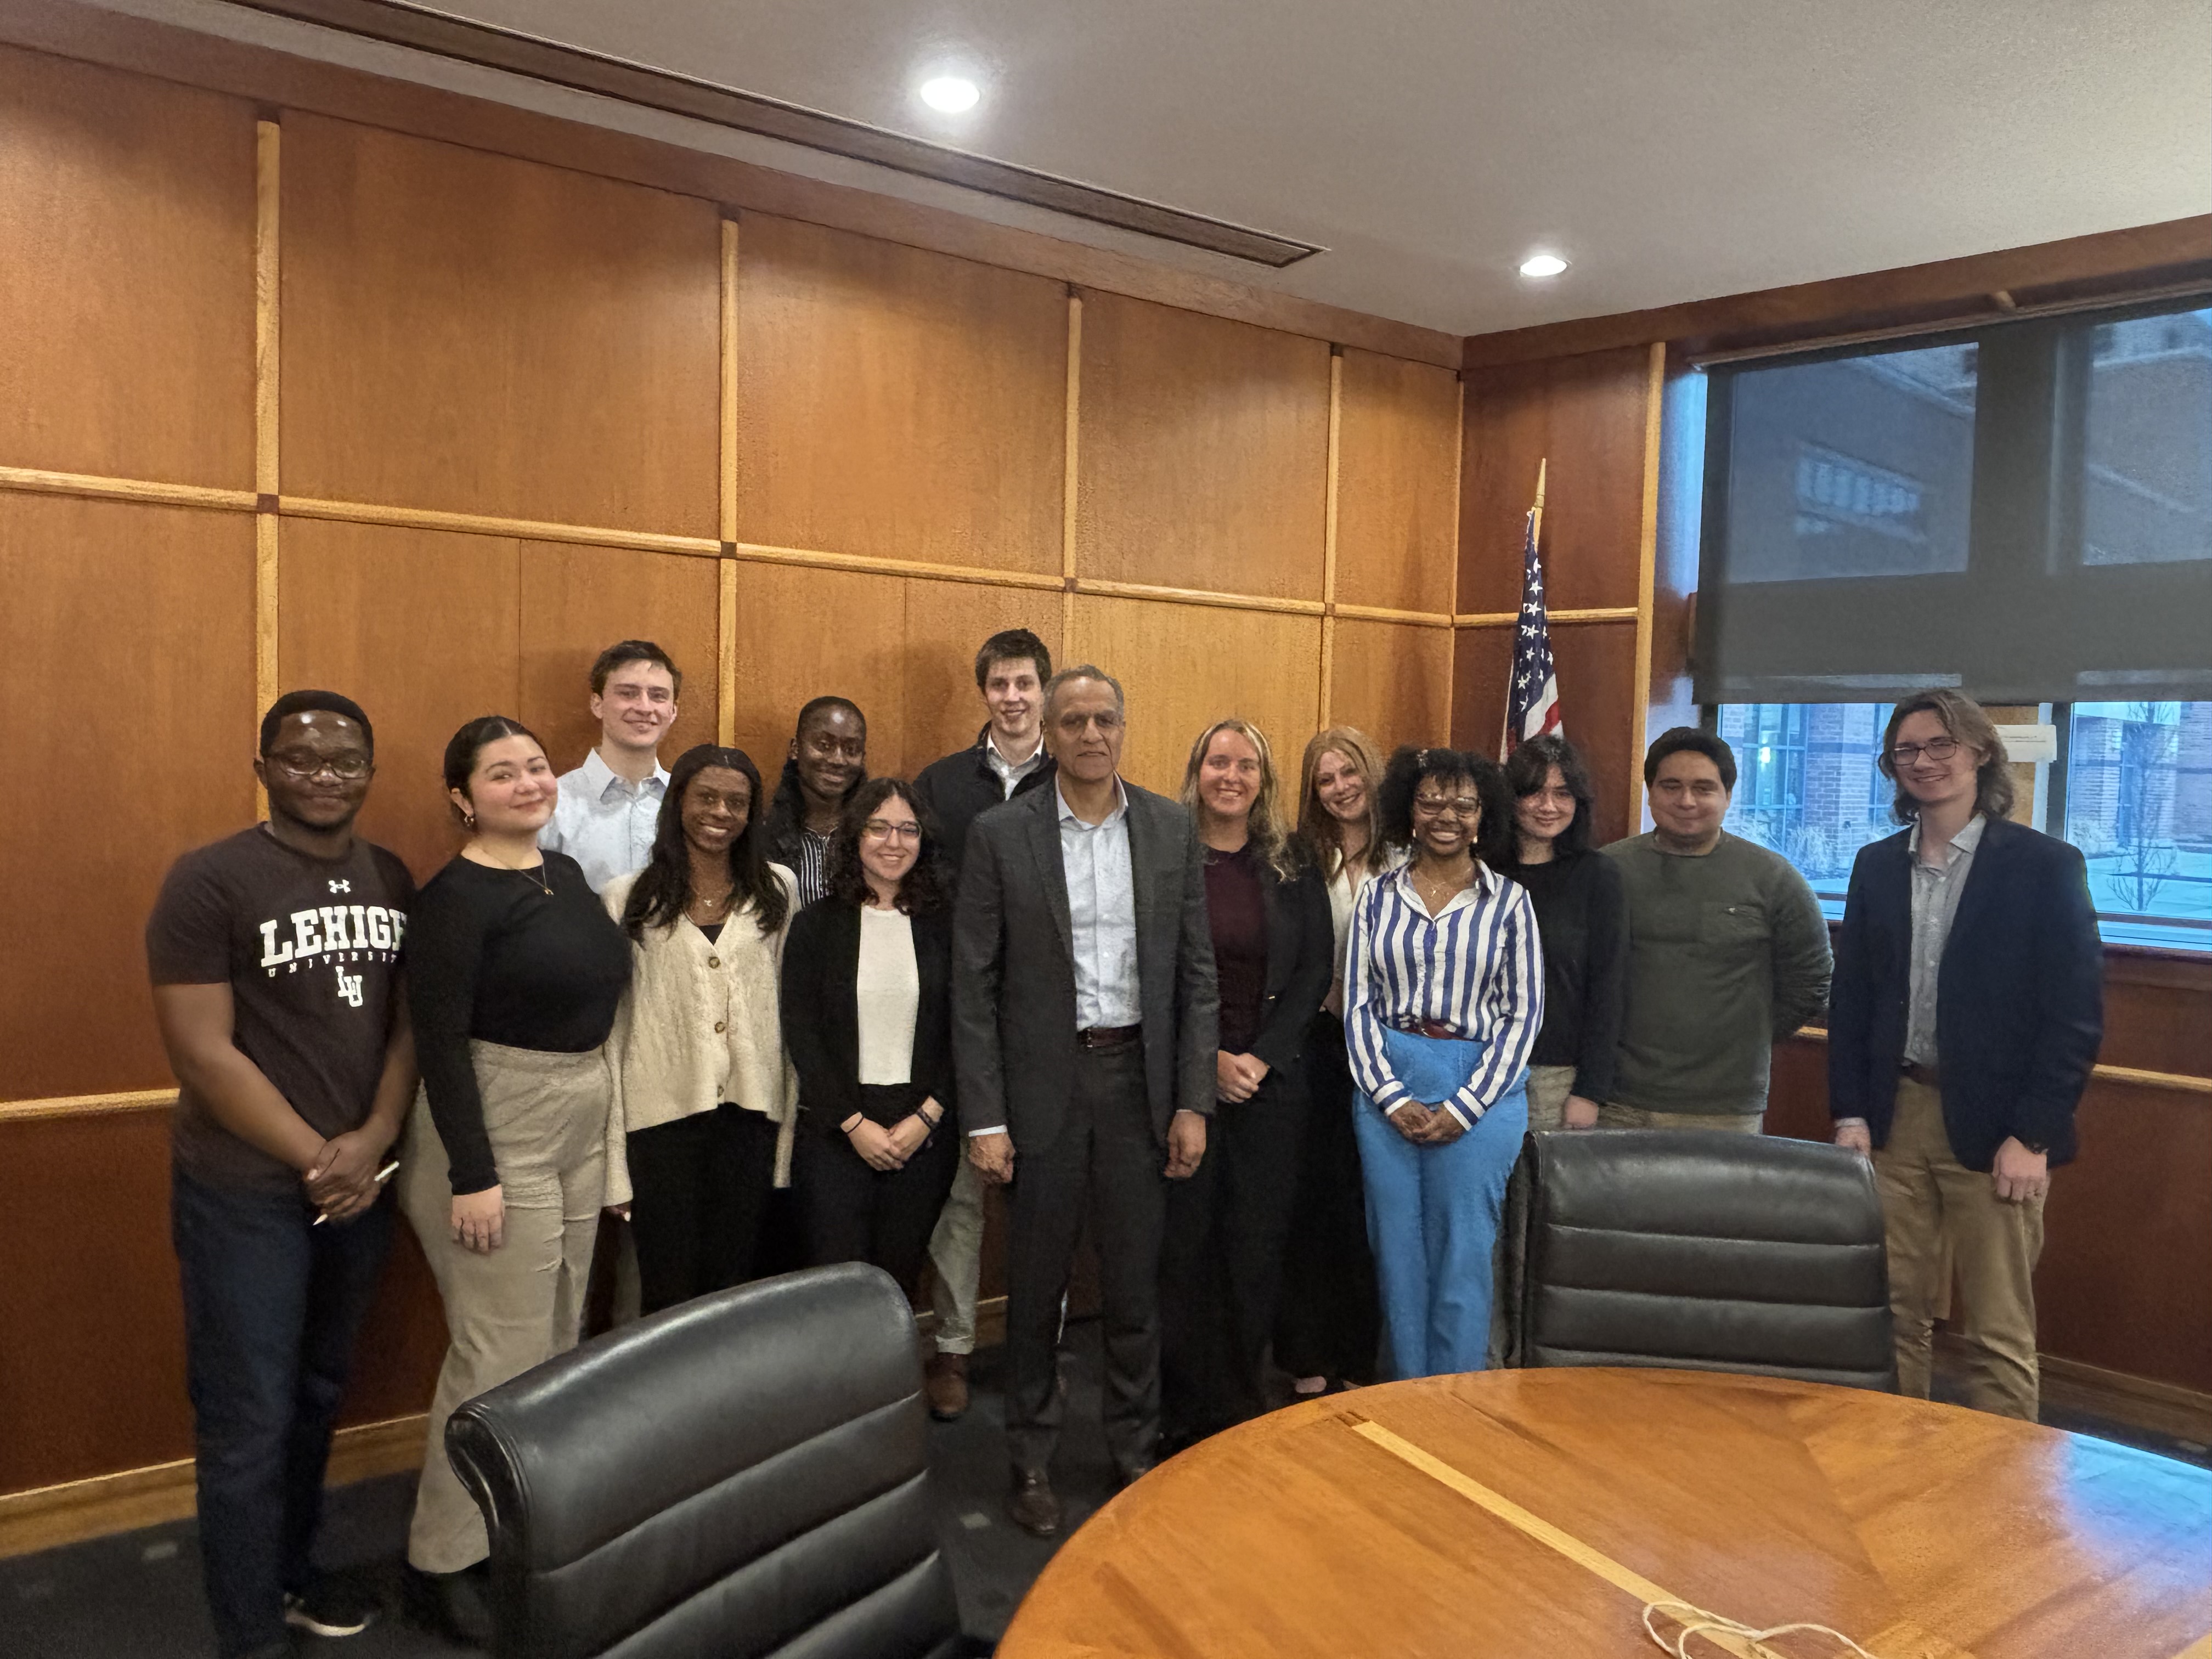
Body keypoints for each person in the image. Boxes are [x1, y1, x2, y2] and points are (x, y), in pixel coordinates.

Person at [148, 692, 415, 1659]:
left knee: (318, 1391)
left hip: (359, 1185)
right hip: (245, 1194)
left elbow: (406, 1023)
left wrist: (376, 1132)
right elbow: (203, 1052)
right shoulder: (210, 878)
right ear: (263, 767)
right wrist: (315, 1155)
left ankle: (293, 1573)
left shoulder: (389, 873)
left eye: (346, 759)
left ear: (369, 770)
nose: (325, 775)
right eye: (302, 759)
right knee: (248, 1416)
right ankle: (249, 1631)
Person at [952, 665, 1217, 1538]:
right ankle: (1029, 1456)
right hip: (1042, 1091)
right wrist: (985, 1117)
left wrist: (1193, 1102)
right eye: (1074, 721)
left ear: (1123, 727)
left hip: (1139, 1084)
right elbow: (973, 986)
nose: (1091, 734)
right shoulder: (1001, 834)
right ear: (1051, 734)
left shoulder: (1171, 829)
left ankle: (1133, 1450)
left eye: (1106, 718)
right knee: (1035, 1291)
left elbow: (1196, 979)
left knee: (1135, 1290)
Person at [396, 716, 631, 1641]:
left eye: (536, 766)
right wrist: (474, 1171)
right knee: (497, 1352)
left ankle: (516, 1533)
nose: (529, 782)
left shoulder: (561, 872)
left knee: (558, 1334)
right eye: (502, 774)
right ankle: (440, 1556)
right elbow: (441, 1045)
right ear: (463, 795)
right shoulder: (453, 898)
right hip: (496, 1124)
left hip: (576, 1107)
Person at [1829, 691, 2103, 1421]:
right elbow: (1852, 999)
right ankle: (1893, 1474)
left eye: (1940, 746)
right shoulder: (1876, 866)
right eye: (1907, 751)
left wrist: (2034, 1135)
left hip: (1999, 1128)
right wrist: (1851, 1112)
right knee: (1891, 1314)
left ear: (1981, 753)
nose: (1924, 763)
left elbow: (2074, 1017)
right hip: (1896, 1117)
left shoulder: (2045, 866)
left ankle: (2001, 1509)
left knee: (1996, 1329)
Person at [1158, 718, 1332, 1447]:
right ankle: (1179, 1410)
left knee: (1254, 1247)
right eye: (1218, 762)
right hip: (1184, 1084)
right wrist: (1207, 1064)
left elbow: (1314, 971)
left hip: (1270, 1086)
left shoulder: (1292, 860)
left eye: (1246, 765)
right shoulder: (1165, 852)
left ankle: (1235, 1406)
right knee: (1185, 1248)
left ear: (1265, 781)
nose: (1231, 776)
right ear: (1197, 769)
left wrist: (1258, 1058)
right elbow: (1151, 973)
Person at [1345, 746, 1542, 1380]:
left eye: (1464, 803)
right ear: (1411, 810)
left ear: (1484, 815)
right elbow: (1357, 1005)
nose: (1446, 815)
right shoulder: (1377, 897)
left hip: (1481, 1080)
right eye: (1431, 801)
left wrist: (1465, 1106)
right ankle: (1404, 1397)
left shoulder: (1510, 903)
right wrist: (1390, 1095)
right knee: (1396, 1250)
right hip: (1388, 1082)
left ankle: (1455, 1405)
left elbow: (1522, 1016)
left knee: (1463, 1251)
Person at [912, 628, 1058, 1420]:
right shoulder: (938, 784)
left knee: (1048, 1198)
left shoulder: (1075, 781)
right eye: (998, 684)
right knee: (964, 1199)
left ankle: (1043, 1348)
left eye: (1025, 684)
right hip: (960, 1012)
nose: (1011, 697)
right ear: (984, 694)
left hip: (1048, 1019)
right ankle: (956, 1349)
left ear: (1045, 691)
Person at [600, 745, 797, 1314]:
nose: (721, 812)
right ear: (679, 800)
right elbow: (614, 1037)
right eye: (706, 797)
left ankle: (724, 1404)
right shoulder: (626, 898)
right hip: (660, 1126)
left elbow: (787, 1021)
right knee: (667, 1291)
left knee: (734, 1289)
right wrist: (615, 1170)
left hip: (750, 1119)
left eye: (737, 802)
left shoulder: (778, 892)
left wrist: (784, 1144)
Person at [1600, 729, 1831, 1131]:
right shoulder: (1607, 871)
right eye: (1671, 786)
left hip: (1725, 1104)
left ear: (1727, 796)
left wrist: (1747, 1032)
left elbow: (1812, 981)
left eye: (1703, 788)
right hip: (1616, 1099)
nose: (1686, 801)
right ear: (1651, 793)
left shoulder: (1774, 878)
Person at [783, 778, 960, 1290]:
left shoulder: (946, 928)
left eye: (908, 830)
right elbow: (802, 1033)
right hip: (837, 1136)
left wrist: (929, 1116)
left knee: (896, 1286)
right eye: (878, 828)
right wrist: (853, 1123)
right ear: (855, 837)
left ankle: (892, 1376)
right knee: (836, 1289)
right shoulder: (816, 926)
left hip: (922, 1135)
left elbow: (964, 1030)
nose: (893, 842)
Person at [1276, 727, 1390, 1399]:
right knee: (1311, 1199)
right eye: (1326, 780)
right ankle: (1306, 1352)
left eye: (1350, 772)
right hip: (1316, 1043)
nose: (1341, 787)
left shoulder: (1406, 852)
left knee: (1367, 1201)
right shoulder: (1300, 858)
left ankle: (1360, 1354)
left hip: (1387, 1047)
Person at [1500, 735, 1627, 1132]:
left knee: (1542, 1195)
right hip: (1479, 1066)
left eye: (1562, 793)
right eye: (1534, 792)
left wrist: (1589, 1092)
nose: (1548, 806)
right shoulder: (1480, 872)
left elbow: (1609, 988)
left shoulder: (1598, 876)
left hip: (1557, 1077)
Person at [539, 641, 682, 893]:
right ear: (598, 704)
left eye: (658, 696)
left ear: (673, 711)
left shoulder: (687, 801)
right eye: (628, 693)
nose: (644, 707)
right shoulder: (554, 803)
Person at [764, 696, 868, 906]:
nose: (838, 760)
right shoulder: (762, 837)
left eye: (851, 750)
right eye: (824, 745)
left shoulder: (878, 838)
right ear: (795, 749)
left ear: (863, 758)